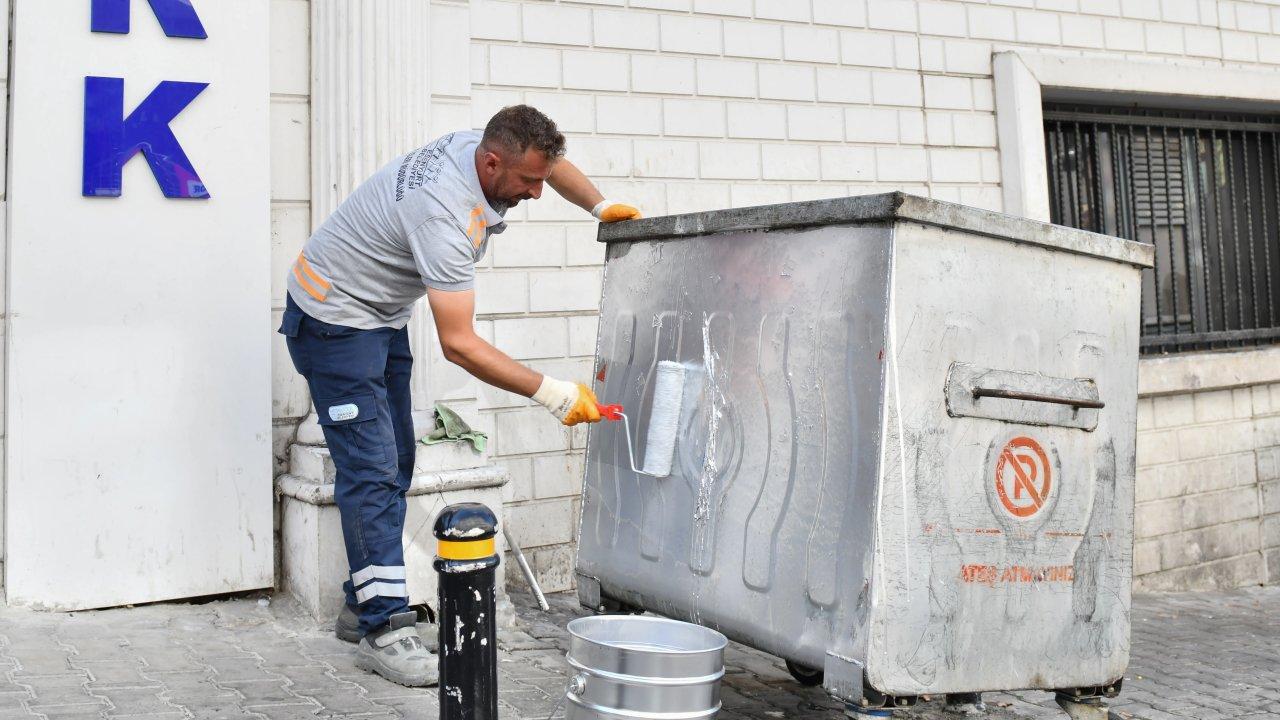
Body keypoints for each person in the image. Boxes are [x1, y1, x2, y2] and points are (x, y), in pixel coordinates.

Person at [278, 105, 640, 687]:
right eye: (527, 182)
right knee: (369, 471)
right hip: (334, 321)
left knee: (396, 460)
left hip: (378, 316)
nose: (537, 194)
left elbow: (552, 164)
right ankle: (383, 628)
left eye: (542, 181)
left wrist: (598, 205)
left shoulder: (488, 145)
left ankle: (360, 602)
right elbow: (460, 345)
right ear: (492, 162)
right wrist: (553, 395)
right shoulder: (442, 215)